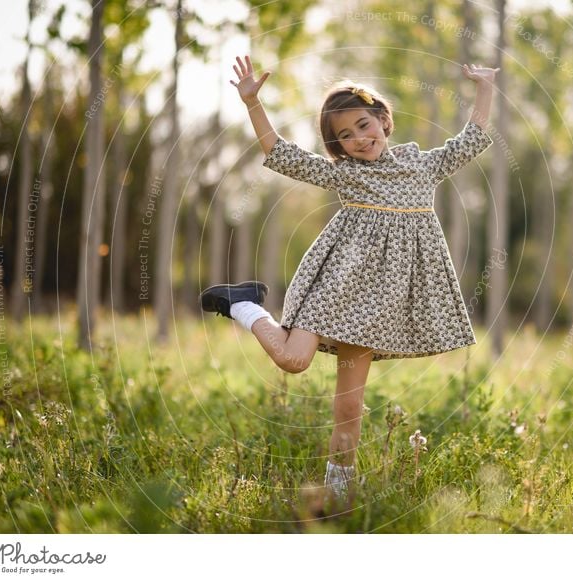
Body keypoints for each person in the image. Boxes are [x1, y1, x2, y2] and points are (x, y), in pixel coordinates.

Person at [201, 54, 498, 500]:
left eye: (363, 124)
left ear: (383, 119)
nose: (358, 138)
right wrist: (252, 104)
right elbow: (282, 155)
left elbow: (472, 138)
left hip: (375, 308)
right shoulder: (348, 176)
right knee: (293, 361)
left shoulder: (423, 168)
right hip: (336, 288)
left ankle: (339, 490)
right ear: (338, 147)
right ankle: (243, 304)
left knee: (349, 404)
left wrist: (485, 87)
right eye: (345, 135)